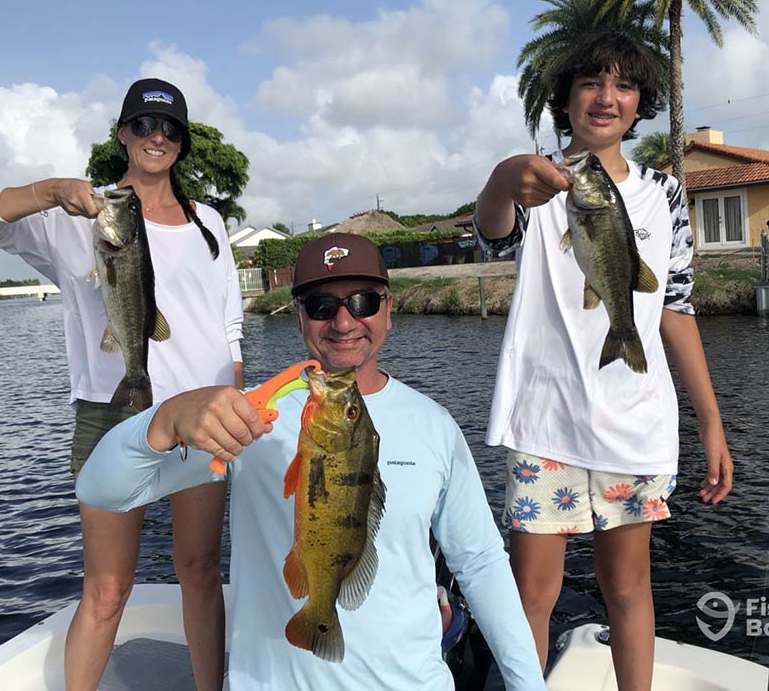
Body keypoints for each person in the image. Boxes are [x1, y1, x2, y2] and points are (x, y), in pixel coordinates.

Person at [76, 233, 547, 691]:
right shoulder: (247, 419)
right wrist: (165, 420)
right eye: (321, 306)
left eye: (362, 301)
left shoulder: (435, 424)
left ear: (389, 310)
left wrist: (528, 684)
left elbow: (481, 562)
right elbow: (101, 490)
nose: (344, 322)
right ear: (298, 319)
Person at [0, 78, 241, 691]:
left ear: (182, 143)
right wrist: (52, 191)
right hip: (114, 413)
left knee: (200, 569)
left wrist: (235, 398)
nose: (156, 137)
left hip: (205, 415)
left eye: (169, 129)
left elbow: (229, 326)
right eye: (143, 126)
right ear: (122, 135)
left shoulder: (209, 223)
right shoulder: (74, 218)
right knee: (107, 587)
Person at [473, 30, 733, 691]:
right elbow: (494, 231)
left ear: (643, 101)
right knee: (531, 592)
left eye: (623, 85)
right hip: (544, 422)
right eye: (591, 82)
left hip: (634, 424)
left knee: (627, 585)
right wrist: (504, 179)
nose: (606, 97)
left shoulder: (662, 192)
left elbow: (675, 306)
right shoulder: (535, 183)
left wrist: (710, 420)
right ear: (565, 98)